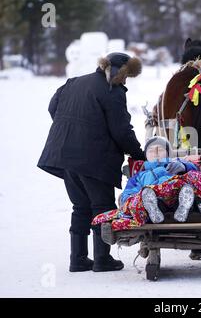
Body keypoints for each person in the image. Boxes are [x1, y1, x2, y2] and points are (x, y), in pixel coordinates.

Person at [37, 53, 145, 272]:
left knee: (80, 207)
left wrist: (73, 130)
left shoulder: (73, 82)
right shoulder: (112, 91)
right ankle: (102, 259)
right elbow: (121, 130)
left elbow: (52, 108)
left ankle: (77, 259)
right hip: (95, 158)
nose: (126, 82)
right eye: (126, 76)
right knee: (103, 207)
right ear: (120, 72)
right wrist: (139, 154)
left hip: (65, 155)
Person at [92, 136, 201, 230]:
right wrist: (132, 198)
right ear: (146, 155)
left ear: (168, 153)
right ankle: (154, 211)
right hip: (156, 201)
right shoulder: (140, 175)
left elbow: (196, 173)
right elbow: (127, 194)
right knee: (148, 196)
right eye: (151, 150)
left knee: (185, 188)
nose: (155, 153)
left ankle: (182, 209)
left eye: (160, 149)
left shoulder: (176, 163)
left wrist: (184, 166)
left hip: (175, 198)